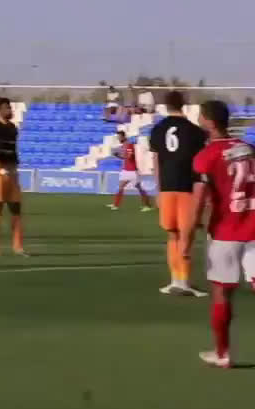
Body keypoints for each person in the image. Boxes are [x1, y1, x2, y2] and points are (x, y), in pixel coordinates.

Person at [189, 101, 255, 368]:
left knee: (222, 293)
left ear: (208, 121)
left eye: (201, 116)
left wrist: (188, 235)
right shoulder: (249, 148)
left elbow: (198, 199)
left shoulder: (206, 155)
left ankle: (222, 354)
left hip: (225, 232)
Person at [149, 90, 208, 297]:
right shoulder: (196, 131)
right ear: (183, 104)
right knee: (186, 235)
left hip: (166, 188)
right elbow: (201, 164)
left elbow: (156, 162)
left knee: (172, 234)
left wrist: (159, 190)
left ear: (166, 106)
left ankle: (175, 280)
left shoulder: (157, 129)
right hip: (187, 188)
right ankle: (184, 282)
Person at [0, 98, 24, 255]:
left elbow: (13, 149)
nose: (10, 110)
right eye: (7, 108)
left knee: (16, 206)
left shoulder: (13, 128)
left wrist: (14, 167)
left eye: (10, 107)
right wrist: (0, 167)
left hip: (11, 167)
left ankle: (17, 246)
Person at [107, 131, 152, 212]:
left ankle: (147, 205)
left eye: (120, 137)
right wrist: (117, 155)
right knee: (121, 187)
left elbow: (130, 157)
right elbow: (125, 158)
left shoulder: (129, 145)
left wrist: (123, 155)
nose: (119, 139)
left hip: (132, 171)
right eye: (118, 137)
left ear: (124, 137)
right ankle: (115, 204)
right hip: (126, 170)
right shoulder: (124, 146)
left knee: (139, 188)